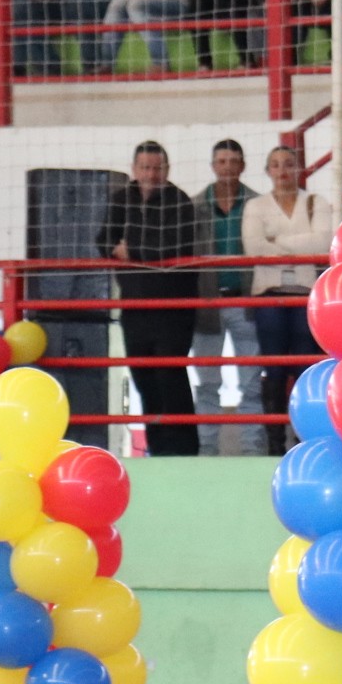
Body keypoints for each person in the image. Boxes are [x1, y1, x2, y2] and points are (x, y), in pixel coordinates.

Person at [98, 140, 204, 456]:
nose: (151, 173)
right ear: (134, 169)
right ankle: (158, 448)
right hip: (134, 305)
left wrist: (130, 250)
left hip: (173, 307)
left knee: (170, 375)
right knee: (143, 377)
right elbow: (102, 239)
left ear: (167, 170)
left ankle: (184, 450)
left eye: (157, 168)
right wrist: (135, 249)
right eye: (145, 167)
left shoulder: (180, 201)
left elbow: (171, 247)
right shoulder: (121, 198)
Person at [241, 143, 328, 449]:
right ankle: (275, 443)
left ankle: (304, 438)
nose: (282, 170)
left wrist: (275, 242)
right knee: (274, 370)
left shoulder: (317, 202)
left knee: (306, 369)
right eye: (275, 164)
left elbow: (323, 243)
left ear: (298, 169)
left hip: (307, 297)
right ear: (267, 171)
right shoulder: (255, 206)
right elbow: (253, 248)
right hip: (269, 296)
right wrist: (298, 249)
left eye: (288, 164)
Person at [188, 137, 263, 455]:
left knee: (250, 380)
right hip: (207, 303)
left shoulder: (259, 205)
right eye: (222, 161)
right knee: (206, 381)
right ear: (213, 166)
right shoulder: (193, 207)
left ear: (243, 166)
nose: (228, 167)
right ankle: (207, 449)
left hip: (246, 302)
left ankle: (253, 449)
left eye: (233, 161)